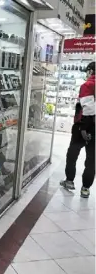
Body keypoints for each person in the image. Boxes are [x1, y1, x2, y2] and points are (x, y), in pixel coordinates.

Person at [61, 61, 95, 198]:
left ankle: (69, 181)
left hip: (83, 127)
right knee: (92, 159)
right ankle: (85, 188)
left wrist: (83, 129)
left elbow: (88, 109)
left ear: (91, 71)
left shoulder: (88, 85)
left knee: (72, 154)